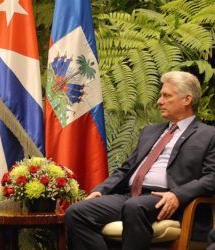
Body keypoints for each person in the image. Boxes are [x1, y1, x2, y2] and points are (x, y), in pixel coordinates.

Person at [65, 71, 215, 250]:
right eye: (161, 95)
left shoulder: (208, 135)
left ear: (187, 99)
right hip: (130, 195)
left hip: (165, 199)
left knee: (134, 207)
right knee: (77, 212)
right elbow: (126, 168)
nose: (159, 101)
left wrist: (178, 195)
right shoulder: (150, 131)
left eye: (166, 96)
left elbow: (211, 177)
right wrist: (101, 190)